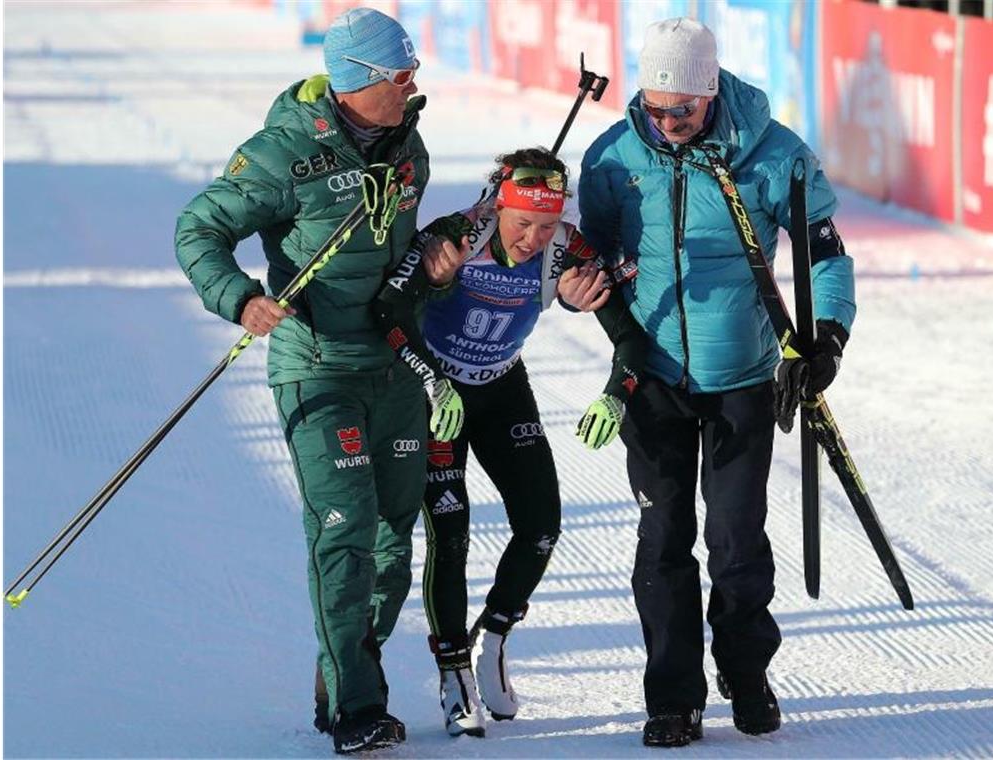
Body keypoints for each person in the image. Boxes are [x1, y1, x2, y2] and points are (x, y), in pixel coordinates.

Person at [174, 8, 450, 754]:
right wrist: (241, 298)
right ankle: (360, 708)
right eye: (401, 75)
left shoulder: (407, 145)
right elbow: (198, 229)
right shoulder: (281, 152)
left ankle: (345, 666)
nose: (413, 84)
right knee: (345, 534)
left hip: (394, 366)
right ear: (359, 81)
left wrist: (433, 266)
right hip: (316, 368)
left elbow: (401, 255)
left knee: (397, 540)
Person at [578, 17, 857, 748]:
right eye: (655, 107)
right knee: (663, 536)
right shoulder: (611, 156)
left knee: (736, 539)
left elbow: (826, 254)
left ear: (712, 93)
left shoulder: (773, 155)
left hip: (742, 375)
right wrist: (578, 281)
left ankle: (745, 666)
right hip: (652, 372)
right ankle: (672, 693)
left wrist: (825, 337)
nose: (667, 124)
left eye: (685, 111)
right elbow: (592, 252)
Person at [374, 147, 646, 738]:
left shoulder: (566, 250)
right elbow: (388, 309)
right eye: (522, 222)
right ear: (499, 205)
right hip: (435, 393)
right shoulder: (456, 236)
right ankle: (453, 676)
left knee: (542, 524)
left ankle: (493, 637)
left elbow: (630, 338)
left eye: (546, 225)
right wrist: (430, 374)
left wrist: (615, 394)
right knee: (451, 534)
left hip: (502, 389)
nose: (532, 238)